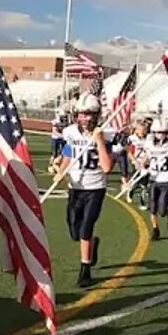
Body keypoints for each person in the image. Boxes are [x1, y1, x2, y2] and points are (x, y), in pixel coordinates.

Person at [58, 93, 114, 288]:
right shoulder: (71, 132)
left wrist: (99, 141)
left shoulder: (105, 134)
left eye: (88, 114)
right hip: (75, 187)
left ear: (96, 115)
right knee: (75, 231)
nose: (84, 118)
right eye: (81, 114)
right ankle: (92, 244)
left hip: (95, 188)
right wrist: (61, 170)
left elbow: (107, 167)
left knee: (85, 228)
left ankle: (85, 270)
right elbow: (68, 151)